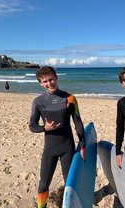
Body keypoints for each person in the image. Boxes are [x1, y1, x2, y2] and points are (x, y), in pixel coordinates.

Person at [29, 66, 86, 208]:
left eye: (51, 79)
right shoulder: (38, 102)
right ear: (40, 83)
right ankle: (41, 206)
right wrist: (44, 128)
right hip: (50, 149)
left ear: (56, 77)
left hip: (67, 147)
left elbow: (78, 122)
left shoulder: (70, 99)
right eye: (45, 81)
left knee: (69, 182)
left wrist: (83, 145)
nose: (49, 84)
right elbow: (32, 125)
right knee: (43, 183)